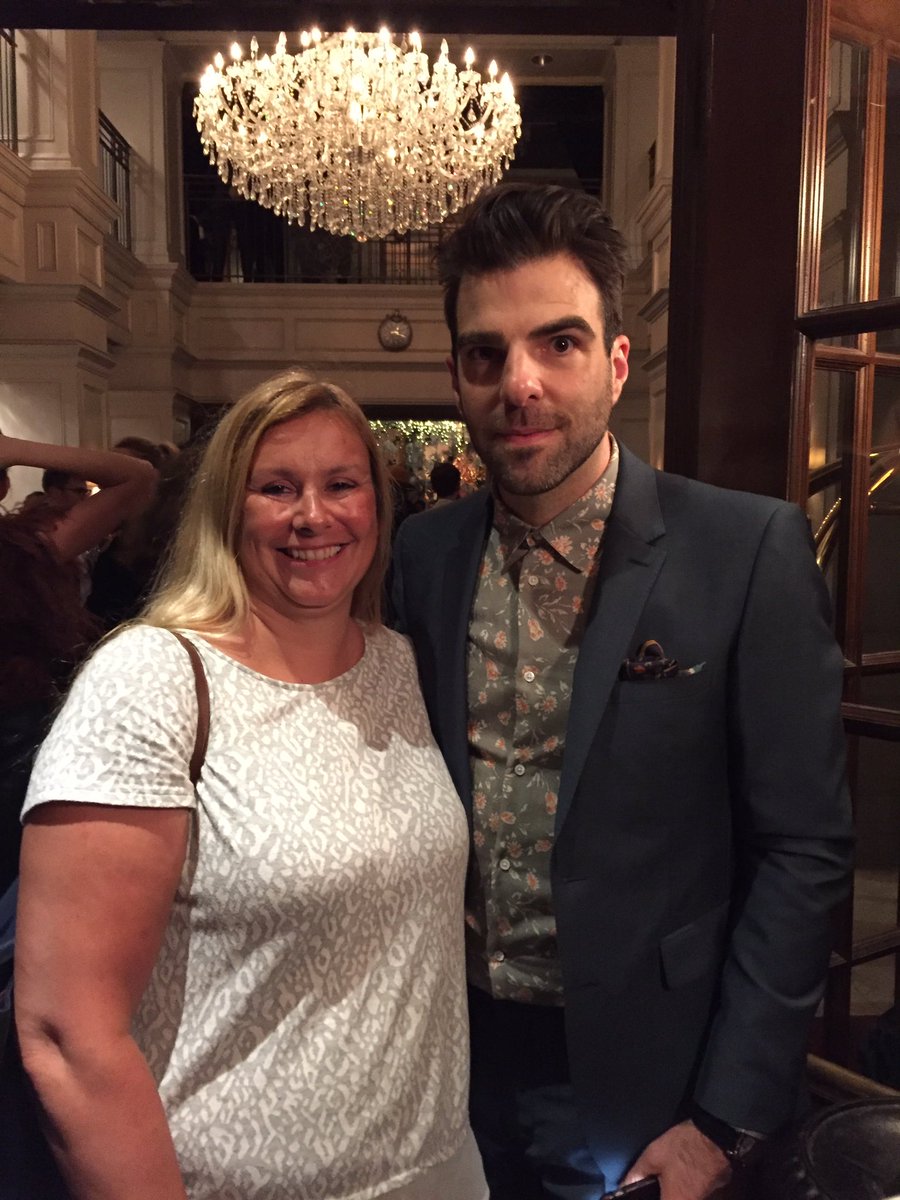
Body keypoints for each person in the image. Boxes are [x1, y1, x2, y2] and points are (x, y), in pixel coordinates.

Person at [390, 183, 854, 1200]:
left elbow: (802, 849)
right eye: (485, 354)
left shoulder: (744, 550)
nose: (519, 383)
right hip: (443, 1068)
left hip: (647, 1083)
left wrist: (724, 1118)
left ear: (615, 361)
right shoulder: (420, 557)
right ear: (458, 376)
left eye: (556, 342)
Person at [14, 371, 487, 1200]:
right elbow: (66, 1036)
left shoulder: (400, 663)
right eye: (277, 488)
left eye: (342, 484)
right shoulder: (150, 679)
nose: (314, 515)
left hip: (439, 1170)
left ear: (377, 504)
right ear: (228, 508)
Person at [0, 430, 156, 893]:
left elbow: (138, 477)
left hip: (14, 741)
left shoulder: (22, 550)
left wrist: (13, 449)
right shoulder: (30, 548)